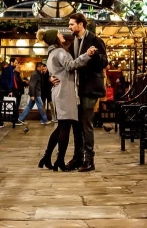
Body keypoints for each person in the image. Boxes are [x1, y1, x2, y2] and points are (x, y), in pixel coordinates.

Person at [37, 29, 96, 171]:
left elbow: (54, 72)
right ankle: (59, 161)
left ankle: (47, 157)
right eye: (59, 34)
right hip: (65, 92)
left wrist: (51, 77)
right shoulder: (60, 52)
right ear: (54, 38)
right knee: (64, 128)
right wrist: (87, 55)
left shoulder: (51, 53)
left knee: (61, 127)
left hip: (58, 92)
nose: (62, 35)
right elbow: (70, 65)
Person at [67, 12, 108, 172]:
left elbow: (104, 62)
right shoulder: (74, 43)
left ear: (80, 24)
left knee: (86, 123)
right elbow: (70, 64)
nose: (69, 27)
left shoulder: (95, 40)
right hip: (76, 89)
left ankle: (89, 159)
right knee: (76, 124)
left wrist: (95, 54)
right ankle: (78, 157)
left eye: (71, 24)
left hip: (90, 88)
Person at [18, 63, 50, 130]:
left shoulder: (38, 73)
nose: (43, 67)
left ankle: (20, 118)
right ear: (38, 67)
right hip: (36, 93)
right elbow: (32, 85)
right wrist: (32, 95)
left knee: (29, 106)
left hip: (37, 93)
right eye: (42, 66)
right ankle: (45, 120)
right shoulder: (35, 74)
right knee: (40, 106)